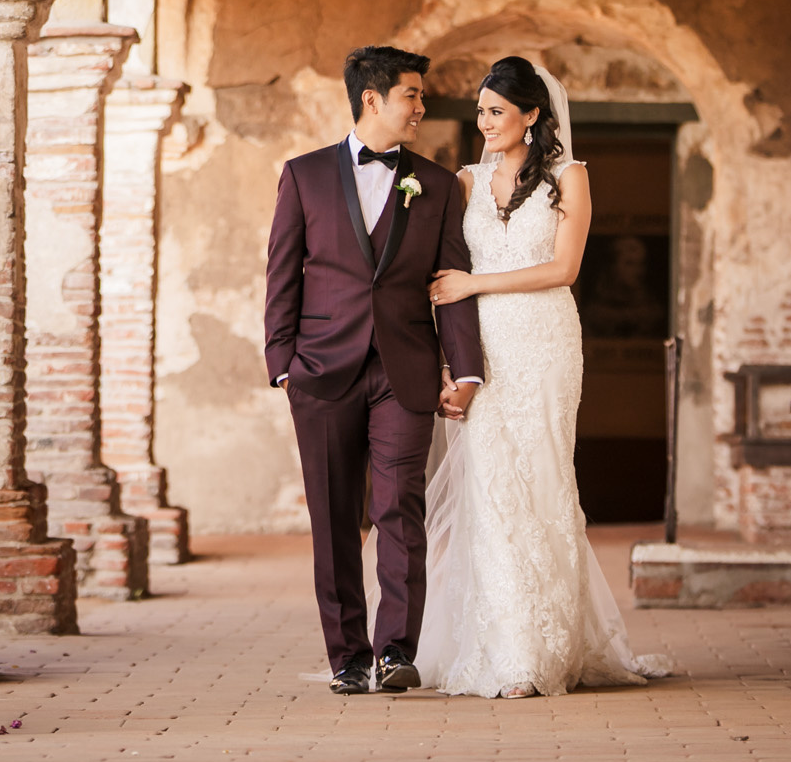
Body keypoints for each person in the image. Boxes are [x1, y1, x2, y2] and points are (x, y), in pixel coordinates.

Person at [415, 55, 668, 697]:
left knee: (544, 481)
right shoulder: (466, 181)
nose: (485, 122)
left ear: (532, 115)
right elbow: (443, 277)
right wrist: (452, 360)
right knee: (491, 489)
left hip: (546, 343)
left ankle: (545, 648)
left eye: (497, 110)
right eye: (480, 110)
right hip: (485, 351)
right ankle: (503, 647)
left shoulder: (570, 176)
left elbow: (564, 269)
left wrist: (478, 282)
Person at [263, 46, 485, 695]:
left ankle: (395, 650)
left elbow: (450, 283)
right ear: (372, 99)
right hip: (321, 370)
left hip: (405, 370)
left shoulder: (438, 186)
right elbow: (281, 275)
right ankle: (347, 656)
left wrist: (463, 366)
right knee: (334, 519)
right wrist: (283, 365)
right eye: (412, 95)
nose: (422, 106)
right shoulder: (303, 176)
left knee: (400, 509)